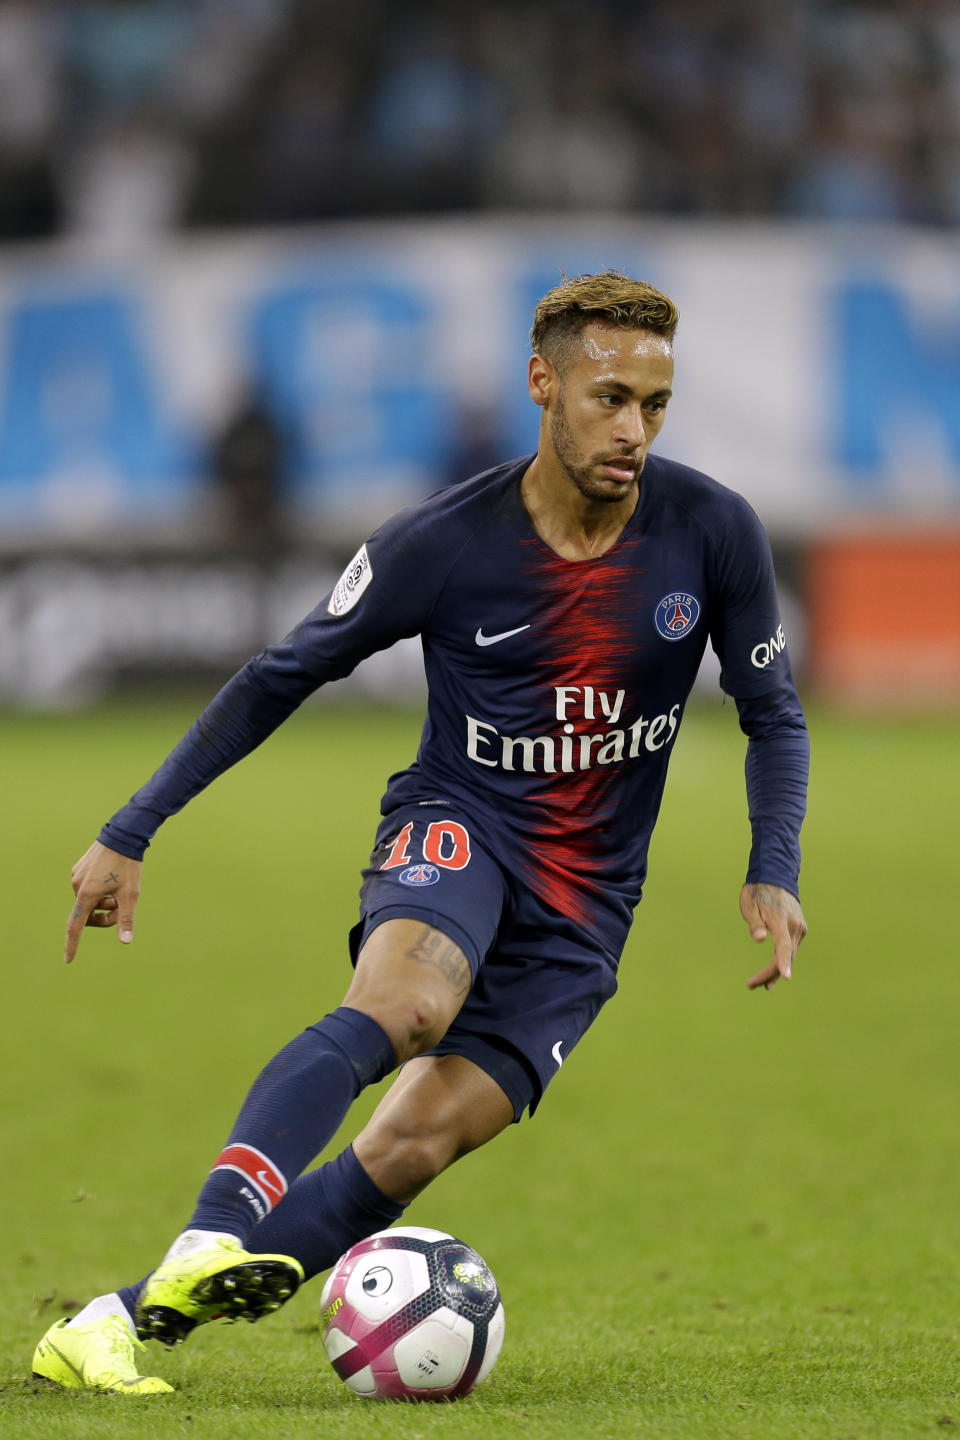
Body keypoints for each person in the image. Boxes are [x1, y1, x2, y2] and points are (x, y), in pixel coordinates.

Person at [32, 271, 808, 1395]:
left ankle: (116, 1325)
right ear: (542, 384)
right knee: (405, 1007)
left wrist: (771, 867)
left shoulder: (712, 530)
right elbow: (277, 675)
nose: (632, 429)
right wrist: (130, 830)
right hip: (463, 831)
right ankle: (215, 1226)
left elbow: (774, 715)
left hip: (588, 906)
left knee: (409, 1149)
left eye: (654, 404)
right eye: (608, 398)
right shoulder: (446, 542)